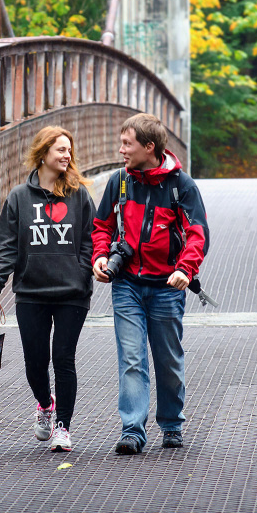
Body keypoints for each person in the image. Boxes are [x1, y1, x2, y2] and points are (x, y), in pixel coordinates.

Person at [92, 113, 209, 454]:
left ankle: (171, 424)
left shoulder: (180, 186)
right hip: (126, 283)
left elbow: (197, 233)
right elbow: (101, 226)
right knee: (131, 358)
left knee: (168, 359)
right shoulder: (120, 181)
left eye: (127, 144)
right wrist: (100, 256)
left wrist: (185, 269)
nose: (121, 149)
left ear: (149, 147)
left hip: (166, 288)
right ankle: (132, 430)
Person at [0, 126, 95, 453]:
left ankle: (63, 427)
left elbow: (91, 239)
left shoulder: (79, 196)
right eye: (60, 150)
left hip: (73, 292)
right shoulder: (19, 198)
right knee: (35, 361)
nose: (66, 155)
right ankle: (45, 404)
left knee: (63, 357)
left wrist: (83, 269)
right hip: (31, 293)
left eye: (69, 150)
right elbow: (5, 247)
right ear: (43, 153)